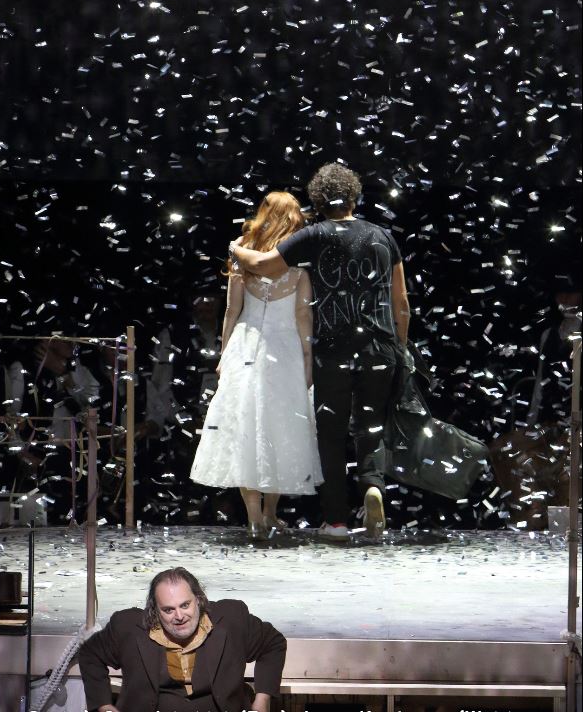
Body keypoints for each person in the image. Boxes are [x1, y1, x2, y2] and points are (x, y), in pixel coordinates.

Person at [229, 164, 410, 540]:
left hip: (333, 350)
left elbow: (261, 265)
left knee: (330, 434)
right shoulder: (383, 237)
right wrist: (400, 347)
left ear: (317, 200)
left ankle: (337, 522)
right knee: (371, 425)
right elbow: (402, 304)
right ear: (355, 197)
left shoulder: (312, 236)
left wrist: (235, 248)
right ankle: (373, 486)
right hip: (379, 348)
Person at [190, 191, 323, 539]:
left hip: (246, 347)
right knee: (279, 428)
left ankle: (253, 517)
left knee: (245, 429)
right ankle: (269, 513)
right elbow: (303, 318)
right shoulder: (298, 267)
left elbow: (231, 311)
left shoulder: (242, 258)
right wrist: (307, 362)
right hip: (285, 351)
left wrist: (224, 353)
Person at [78, 566, 286, 712]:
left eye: (185, 605)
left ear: (198, 599)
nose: (179, 616)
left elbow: (273, 643)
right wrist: (104, 705)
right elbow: (90, 653)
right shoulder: (128, 627)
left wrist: (263, 700)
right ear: (155, 610)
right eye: (168, 610)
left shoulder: (232, 618)